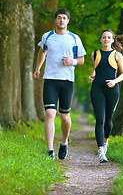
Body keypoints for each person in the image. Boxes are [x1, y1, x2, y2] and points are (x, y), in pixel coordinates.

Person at [33, 8, 86, 159]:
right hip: (50, 79)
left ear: (68, 21)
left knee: (64, 117)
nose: (61, 20)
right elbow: (42, 52)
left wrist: (72, 61)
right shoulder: (47, 36)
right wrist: (37, 68)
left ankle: (64, 142)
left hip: (67, 81)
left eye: (64, 18)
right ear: (55, 20)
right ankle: (50, 150)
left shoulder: (74, 38)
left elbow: (82, 59)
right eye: (59, 18)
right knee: (50, 113)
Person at [88, 29, 123, 163]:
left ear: (112, 40)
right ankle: (100, 151)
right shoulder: (95, 54)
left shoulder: (117, 55)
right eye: (104, 37)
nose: (106, 40)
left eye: (108, 38)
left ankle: (105, 143)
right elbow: (96, 68)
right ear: (101, 39)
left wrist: (114, 81)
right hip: (97, 88)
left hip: (112, 89)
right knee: (100, 119)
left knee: (108, 119)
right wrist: (92, 75)